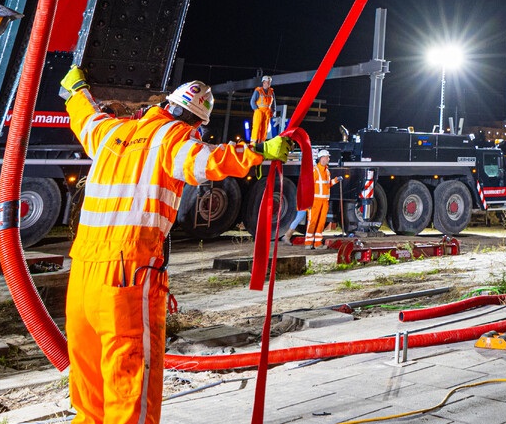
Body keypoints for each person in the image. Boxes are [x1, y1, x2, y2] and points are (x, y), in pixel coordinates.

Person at [60, 65, 288, 424]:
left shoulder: (111, 130)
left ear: (165, 104)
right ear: (195, 123)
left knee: (89, 391)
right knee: (130, 385)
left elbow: (84, 117)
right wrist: (261, 152)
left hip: (83, 274)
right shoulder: (175, 139)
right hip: (129, 276)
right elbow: (209, 161)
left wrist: (78, 88)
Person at [306, 150, 333, 238]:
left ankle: (318, 242)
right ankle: (309, 242)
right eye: (327, 157)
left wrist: (336, 180)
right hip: (315, 201)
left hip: (325, 201)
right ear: (322, 158)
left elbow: (327, 184)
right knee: (313, 222)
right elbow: (309, 186)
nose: (328, 159)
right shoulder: (315, 170)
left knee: (321, 222)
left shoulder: (327, 171)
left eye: (328, 157)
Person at [249, 76, 276, 143]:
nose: (269, 83)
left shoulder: (271, 92)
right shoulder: (258, 91)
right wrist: (256, 109)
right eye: (267, 82)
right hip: (259, 111)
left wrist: (273, 111)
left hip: (267, 112)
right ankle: (253, 142)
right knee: (257, 127)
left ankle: (261, 142)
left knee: (265, 128)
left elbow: (273, 103)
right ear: (264, 82)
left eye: (270, 82)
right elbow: (252, 101)